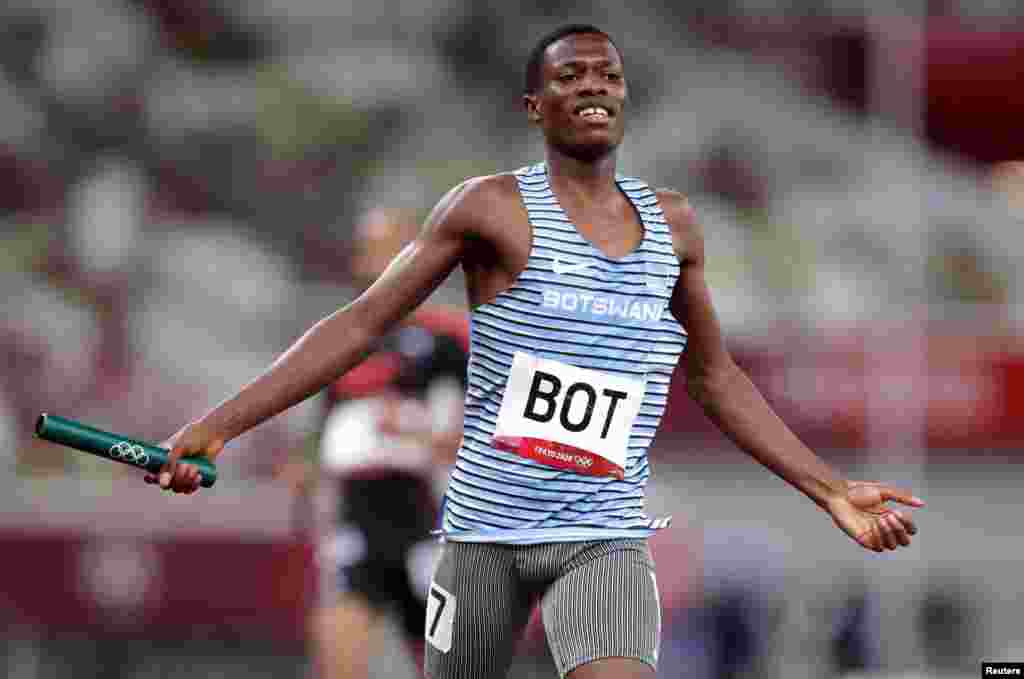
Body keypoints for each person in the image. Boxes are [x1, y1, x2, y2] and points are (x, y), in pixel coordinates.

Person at [146, 24, 925, 679]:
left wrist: (826, 489)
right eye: (571, 74)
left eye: (609, 74)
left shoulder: (674, 225)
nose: (594, 85)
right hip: (483, 534)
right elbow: (360, 324)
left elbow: (715, 375)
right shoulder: (490, 207)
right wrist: (220, 424)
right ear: (534, 105)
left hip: (603, 532)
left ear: (625, 97)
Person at [284, 207, 469, 679]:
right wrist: (305, 471)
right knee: (339, 645)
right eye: (368, 251)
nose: (376, 263)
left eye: (389, 250)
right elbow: (318, 428)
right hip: (354, 511)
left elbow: (475, 435)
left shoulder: (445, 342)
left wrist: (415, 431)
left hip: (424, 514)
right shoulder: (339, 338)